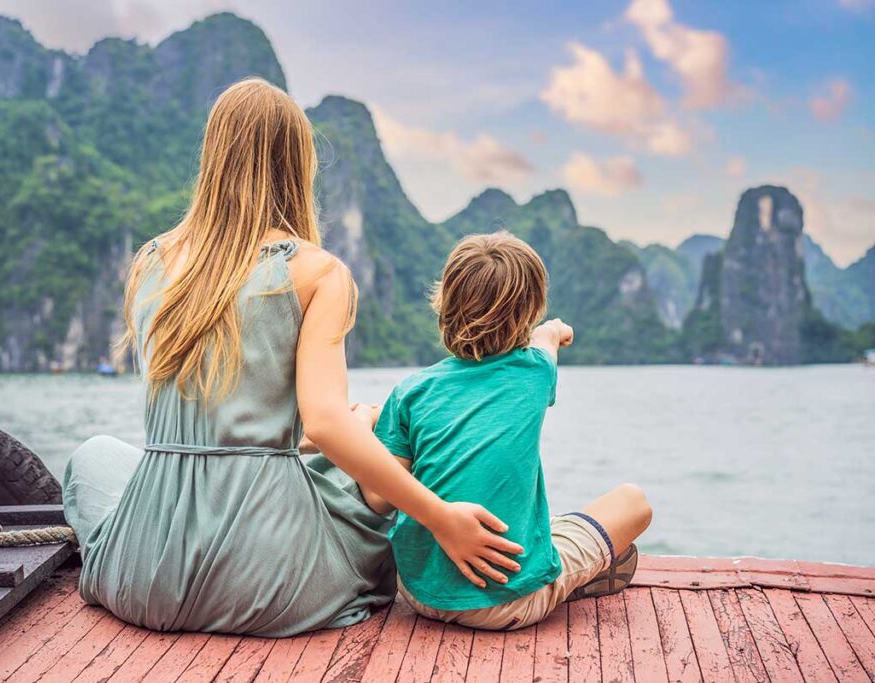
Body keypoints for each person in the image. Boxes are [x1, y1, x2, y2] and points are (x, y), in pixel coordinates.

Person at [61, 78, 523, 637]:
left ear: (213, 154)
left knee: (92, 457)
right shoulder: (317, 272)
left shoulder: (152, 261)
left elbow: (232, 424)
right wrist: (441, 517)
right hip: (265, 582)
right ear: (297, 163)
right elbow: (325, 425)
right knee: (365, 463)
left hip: (141, 580)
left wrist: (345, 427)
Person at [355, 232, 653, 630]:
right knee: (633, 502)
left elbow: (378, 497)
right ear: (530, 313)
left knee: (542, 524)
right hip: (508, 605)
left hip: (418, 591)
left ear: (443, 303)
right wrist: (555, 330)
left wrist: (364, 429)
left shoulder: (410, 391)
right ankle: (564, 579)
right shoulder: (535, 372)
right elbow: (546, 340)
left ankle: (559, 564)